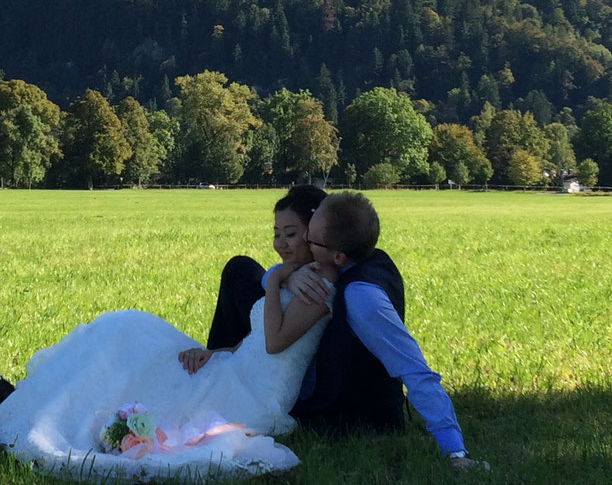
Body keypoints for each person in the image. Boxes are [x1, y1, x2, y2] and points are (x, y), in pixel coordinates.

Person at [0, 186, 337, 481]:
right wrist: (218, 351)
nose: (281, 243)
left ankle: (24, 411)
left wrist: (275, 282)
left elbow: (275, 344)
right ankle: (23, 401)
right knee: (127, 328)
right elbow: (256, 340)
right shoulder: (296, 274)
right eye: (276, 233)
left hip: (252, 395)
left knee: (140, 360)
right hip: (232, 368)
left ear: (316, 233)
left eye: (291, 233)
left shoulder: (318, 284)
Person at [207, 191, 489, 473]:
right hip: (296, 347)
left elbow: (415, 369)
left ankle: (223, 372)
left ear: (338, 255)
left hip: (339, 406)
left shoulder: (362, 296)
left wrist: (455, 450)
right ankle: (220, 360)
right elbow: (278, 274)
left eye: (310, 239)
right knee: (241, 269)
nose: (301, 242)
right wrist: (286, 275)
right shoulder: (342, 255)